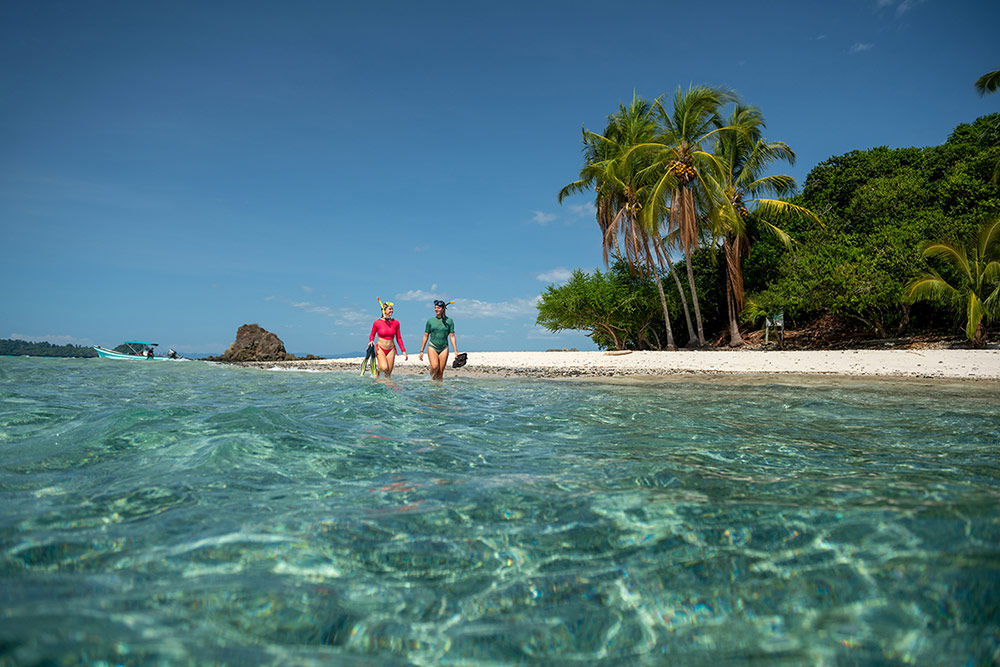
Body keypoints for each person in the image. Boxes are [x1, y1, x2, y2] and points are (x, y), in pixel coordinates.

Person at [419, 299, 458, 381]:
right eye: (435, 307)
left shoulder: (449, 321)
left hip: (444, 348)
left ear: (443, 309)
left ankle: (438, 391)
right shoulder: (430, 321)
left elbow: (452, 336)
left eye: (438, 308)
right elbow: (426, 335)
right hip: (432, 346)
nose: (436, 309)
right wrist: (421, 351)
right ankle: (430, 379)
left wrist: (455, 350)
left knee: (440, 372)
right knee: (434, 366)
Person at [369, 301, 407, 378]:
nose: (392, 311)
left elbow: (399, 337)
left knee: (388, 373)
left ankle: (387, 387)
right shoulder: (377, 323)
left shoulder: (396, 323)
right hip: (380, 348)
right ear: (384, 310)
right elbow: (372, 335)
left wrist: (403, 350)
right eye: (390, 309)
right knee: (384, 367)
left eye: (392, 309)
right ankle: (377, 371)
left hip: (391, 349)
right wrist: (371, 341)